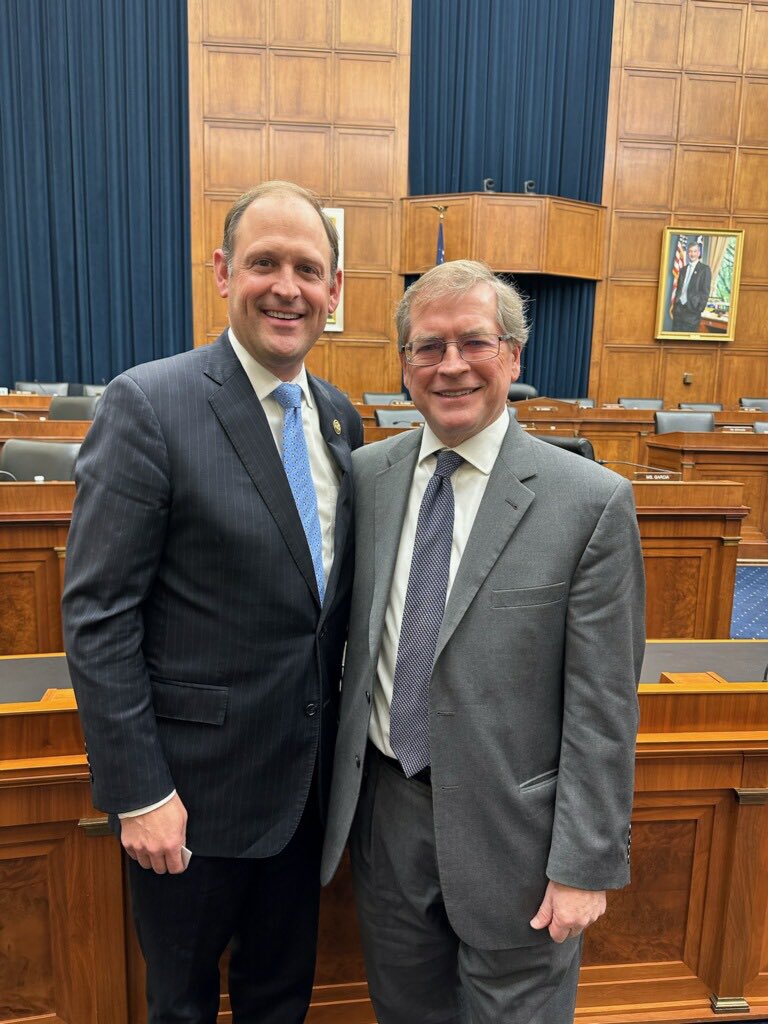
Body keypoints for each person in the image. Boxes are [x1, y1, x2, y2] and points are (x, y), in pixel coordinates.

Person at [62, 180, 363, 1024]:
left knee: (281, 1002)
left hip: (303, 796)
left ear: (334, 290)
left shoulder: (340, 420)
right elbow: (99, 617)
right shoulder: (149, 404)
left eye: (308, 269)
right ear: (224, 272)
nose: (286, 287)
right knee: (182, 1008)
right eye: (265, 263)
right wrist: (139, 792)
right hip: (188, 804)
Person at [321, 260, 645, 1024]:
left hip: (519, 841)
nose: (452, 365)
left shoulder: (590, 502)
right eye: (428, 347)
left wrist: (584, 864)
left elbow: (604, 707)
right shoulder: (367, 477)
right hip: (389, 819)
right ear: (405, 365)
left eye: (474, 342)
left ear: (513, 355)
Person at [670, 241, 712, 332]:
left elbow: (705, 292)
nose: (692, 254)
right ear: (687, 253)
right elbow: (679, 289)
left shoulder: (704, 269)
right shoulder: (683, 269)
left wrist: (699, 309)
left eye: (695, 251)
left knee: (687, 339)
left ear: (699, 253)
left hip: (692, 312)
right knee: (675, 338)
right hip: (678, 311)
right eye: (690, 251)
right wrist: (676, 304)